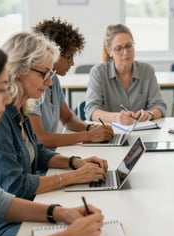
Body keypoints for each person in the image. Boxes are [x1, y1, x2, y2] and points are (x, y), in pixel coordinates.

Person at [0, 41, 104, 236]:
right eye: (1, 88)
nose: (7, 97)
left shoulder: (19, 111)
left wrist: (61, 213)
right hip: (4, 232)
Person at [29, 17, 114, 149]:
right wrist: (88, 136)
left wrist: (91, 128)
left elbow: (68, 119)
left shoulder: (54, 80)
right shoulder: (33, 86)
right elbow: (41, 138)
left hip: (48, 157)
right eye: (69, 57)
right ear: (52, 54)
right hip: (40, 163)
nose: (72, 63)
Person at [84, 23, 167, 125]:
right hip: (111, 132)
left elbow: (159, 106)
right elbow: (91, 110)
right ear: (109, 51)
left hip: (142, 132)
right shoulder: (98, 73)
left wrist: (149, 114)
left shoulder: (147, 71)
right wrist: (117, 117)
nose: (126, 52)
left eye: (129, 46)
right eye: (119, 48)